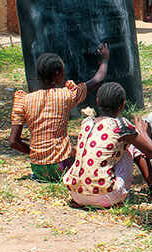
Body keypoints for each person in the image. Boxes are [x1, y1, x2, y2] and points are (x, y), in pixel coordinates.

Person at [63, 82, 152, 207]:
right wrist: (141, 131)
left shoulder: (87, 122)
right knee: (132, 147)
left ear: (97, 101)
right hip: (105, 197)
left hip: (76, 193)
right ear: (123, 105)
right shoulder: (121, 126)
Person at [9, 45, 109, 182]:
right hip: (63, 165)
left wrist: (36, 153)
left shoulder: (24, 100)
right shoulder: (66, 95)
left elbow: (13, 142)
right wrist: (105, 59)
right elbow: (98, 79)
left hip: (38, 169)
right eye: (62, 71)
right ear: (57, 74)